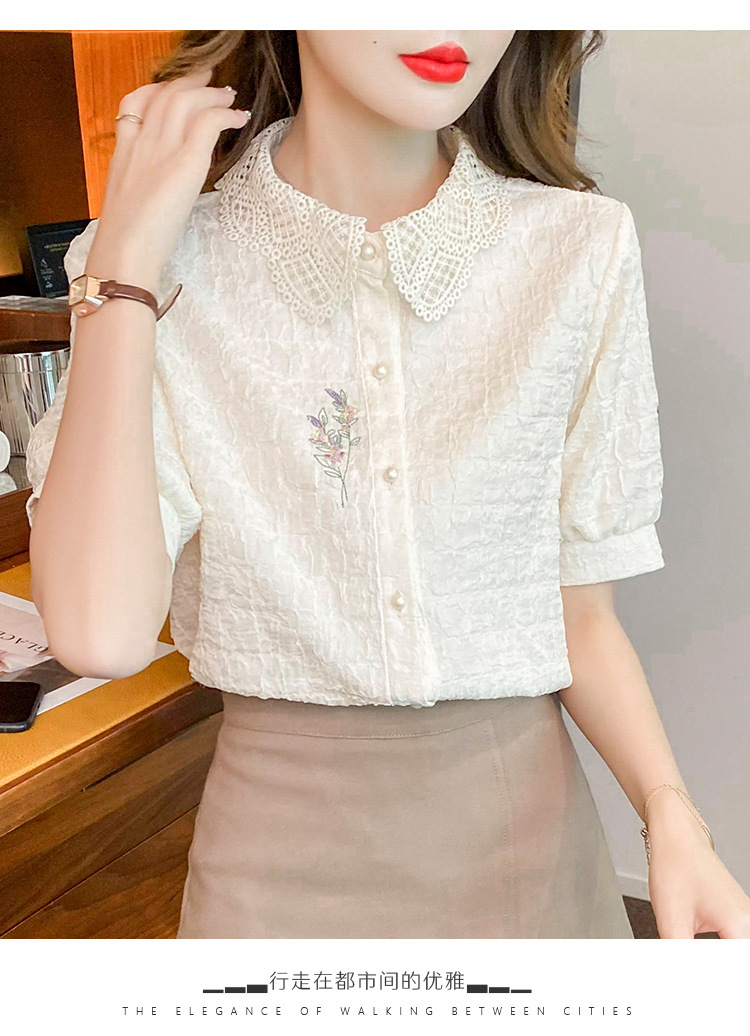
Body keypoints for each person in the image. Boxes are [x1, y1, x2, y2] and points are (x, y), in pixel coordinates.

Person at [25, 30, 750, 939]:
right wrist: (126, 267)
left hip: (526, 847)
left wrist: (671, 813)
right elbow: (99, 633)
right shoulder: (168, 261)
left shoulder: (578, 247)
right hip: (271, 858)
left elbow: (580, 614)